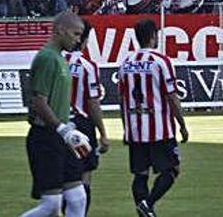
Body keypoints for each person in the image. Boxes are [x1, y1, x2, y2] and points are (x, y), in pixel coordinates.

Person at [20, 11, 91, 217]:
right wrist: (62, 129)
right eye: (76, 34)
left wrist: (68, 128)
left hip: (61, 136)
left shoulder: (59, 58)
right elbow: (38, 101)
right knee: (51, 205)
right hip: (46, 137)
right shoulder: (46, 58)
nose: (78, 40)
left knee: (78, 198)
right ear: (60, 30)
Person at [119, 19, 188, 217]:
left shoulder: (126, 63)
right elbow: (172, 97)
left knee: (140, 175)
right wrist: (182, 124)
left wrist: (126, 128)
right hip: (159, 129)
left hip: (135, 129)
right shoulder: (161, 61)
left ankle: (145, 210)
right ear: (152, 37)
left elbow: (122, 100)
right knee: (172, 169)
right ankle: (147, 205)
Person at [62, 20, 110, 215]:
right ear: (83, 39)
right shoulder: (88, 66)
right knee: (84, 177)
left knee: (62, 178)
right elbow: (92, 103)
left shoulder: (55, 60)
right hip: (82, 126)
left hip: (58, 125)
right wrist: (103, 133)